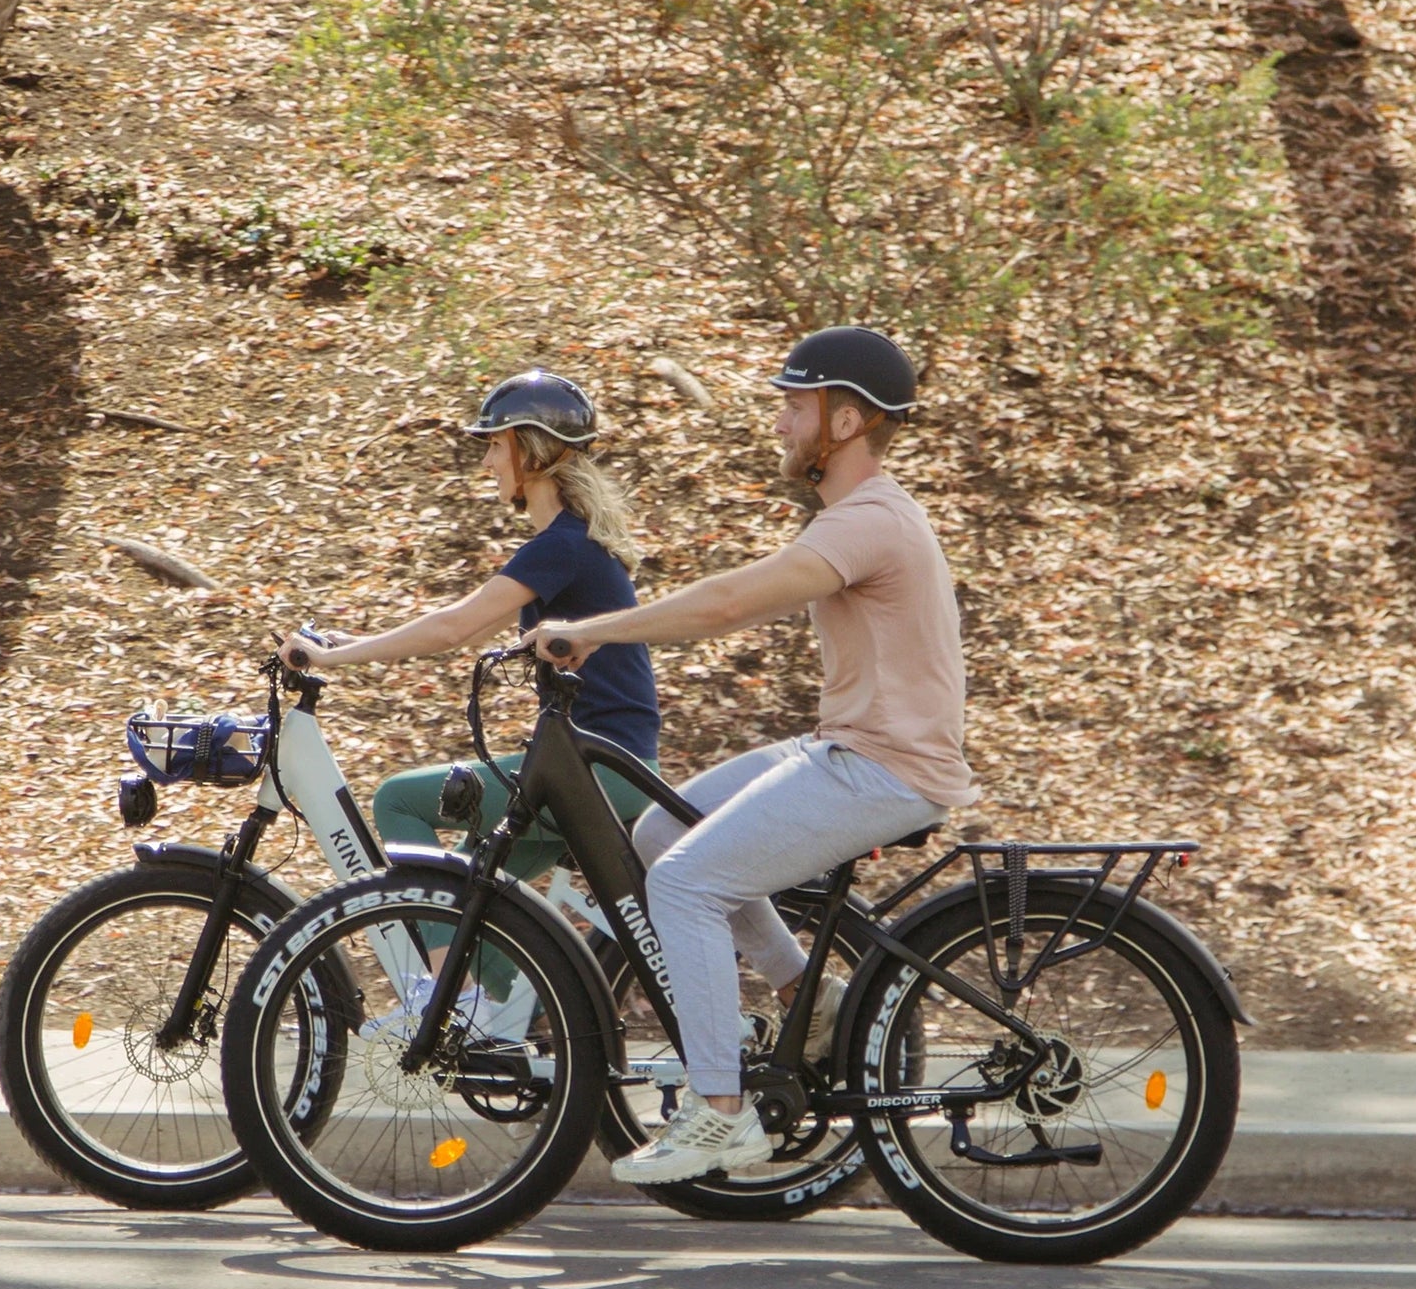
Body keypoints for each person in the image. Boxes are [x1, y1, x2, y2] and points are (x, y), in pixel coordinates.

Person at [527, 326, 977, 1183]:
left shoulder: (871, 520)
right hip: (849, 745)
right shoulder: (861, 516)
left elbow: (730, 603)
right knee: (660, 835)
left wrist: (590, 631)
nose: (779, 421)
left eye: (794, 405)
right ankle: (807, 1002)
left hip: (886, 767)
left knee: (687, 882)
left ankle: (721, 1113)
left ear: (844, 422)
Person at [284, 371, 661, 955]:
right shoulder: (568, 542)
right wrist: (349, 640)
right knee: (471, 898)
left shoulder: (563, 545)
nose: (487, 463)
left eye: (494, 444)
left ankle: (456, 1005)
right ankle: (496, 1020)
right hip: (599, 764)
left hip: (594, 769)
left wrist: (336, 658)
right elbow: (471, 629)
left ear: (531, 450)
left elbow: (455, 626)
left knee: (398, 801)